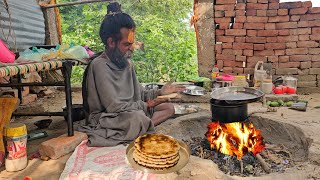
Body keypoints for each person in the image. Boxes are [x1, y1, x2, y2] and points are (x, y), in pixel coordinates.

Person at [79, 2, 184, 147]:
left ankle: (139, 128)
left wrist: (160, 92)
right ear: (111, 42)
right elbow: (114, 107)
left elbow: (140, 93)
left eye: (132, 44)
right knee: (136, 118)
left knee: (168, 108)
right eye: (127, 45)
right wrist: (148, 105)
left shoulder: (126, 63)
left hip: (132, 111)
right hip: (108, 117)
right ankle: (141, 126)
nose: (131, 49)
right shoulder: (99, 65)